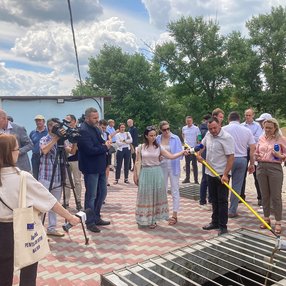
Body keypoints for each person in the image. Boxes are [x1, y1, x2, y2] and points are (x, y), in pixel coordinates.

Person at [0, 134, 80, 286]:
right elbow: (49, 201)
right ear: (10, 152)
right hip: (22, 228)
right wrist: (70, 217)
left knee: (3, 272)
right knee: (29, 266)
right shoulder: (23, 177)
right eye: (17, 149)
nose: (19, 152)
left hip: (1, 233)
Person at [134, 126, 187, 229]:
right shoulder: (140, 147)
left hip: (157, 172)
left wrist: (182, 152)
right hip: (145, 172)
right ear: (146, 136)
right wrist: (135, 175)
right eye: (151, 135)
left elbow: (171, 156)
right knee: (145, 195)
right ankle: (143, 218)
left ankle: (153, 219)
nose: (153, 137)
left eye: (154, 135)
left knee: (156, 196)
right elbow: (137, 161)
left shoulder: (159, 147)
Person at [198, 117, 235, 236]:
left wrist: (225, 174)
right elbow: (202, 145)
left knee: (222, 200)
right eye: (210, 128)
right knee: (213, 199)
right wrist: (198, 153)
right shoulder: (208, 135)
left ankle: (223, 226)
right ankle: (214, 222)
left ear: (220, 125)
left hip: (221, 174)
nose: (213, 130)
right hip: (210, 172)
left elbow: (231, 157)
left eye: (215, 128)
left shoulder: (227, 138)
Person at [77, 107, 112, 233]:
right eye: (94, 118)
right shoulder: (83, 130)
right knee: (91, 196)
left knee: (102, 193)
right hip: (91, 168)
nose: (97, 120)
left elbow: (100, 142)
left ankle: (97, 217)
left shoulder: (96, 129)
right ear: (87, 118)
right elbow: (90, 150)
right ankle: (89, 221)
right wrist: (105, 147)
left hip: (101, 166)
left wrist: (105, 144)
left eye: (97, 117)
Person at [38, 118, 69, 237]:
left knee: (54, 205)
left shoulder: (62, 141)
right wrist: (55, 139)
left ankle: (51, 228)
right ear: (49, 127)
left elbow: (71, 151)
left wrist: (75, 141)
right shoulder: (44, 139)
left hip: (58, 177)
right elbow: (44, 150)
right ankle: (39, 230)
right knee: (41, 205)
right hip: (45, 177)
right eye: (54, 126)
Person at [255, 118, 286, 235]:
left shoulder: (281, 139)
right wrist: (256, 156)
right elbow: (257, 151)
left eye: (270, 128)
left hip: (275, 168)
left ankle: (278, 221)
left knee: (276, 196)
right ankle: (266, 219)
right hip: (261, 167)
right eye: (265, 127)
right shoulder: (261, 138)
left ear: (275, 128)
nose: (267, 130)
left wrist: (280, 155)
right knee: (265, 195)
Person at [223, 111, 256, 218]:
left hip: (227, 160)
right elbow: (252, 149)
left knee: (224, 184)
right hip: (241, 159)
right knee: (237, 186)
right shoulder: (247, 130)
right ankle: (232, 210)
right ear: (239, 119)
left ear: (229, 119)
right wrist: (252, 163)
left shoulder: (223, 129)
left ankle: (222, 208)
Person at [156, 121, 183, 225]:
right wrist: (160, 156)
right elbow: (155, 152)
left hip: (174, 166)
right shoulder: (158, 139)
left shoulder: (175, 138)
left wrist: (170, 155)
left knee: (175, 190)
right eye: (164, 130)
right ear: (161, 130)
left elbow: (180, 155)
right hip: (162, 166)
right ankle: (163, 212)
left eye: (168, 129)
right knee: (162, 190)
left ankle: (175, 214)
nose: (167, 131)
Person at [240, 108, 263, 204]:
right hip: (244, 150)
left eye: (249, 115)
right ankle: (241, 196)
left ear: (253, 115)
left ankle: (260, 197)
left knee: (257, 175)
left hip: (254, 150)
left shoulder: (257, 126)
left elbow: (258, 138)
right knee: (241, 175)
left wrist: (247, 137)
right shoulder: (241, 126)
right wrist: (250, 137)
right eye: (246, 115)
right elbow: (241, 139)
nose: (247, 117)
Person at [64, 114, 83, 210]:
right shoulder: (65, 132)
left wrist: (74, 147)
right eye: (66, 121)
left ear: (74, 121)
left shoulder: (79, 132)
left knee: (77, 181)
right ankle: (66, 202)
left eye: (69, 121)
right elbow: (63, 145)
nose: (67, 123)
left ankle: (78, 201)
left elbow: (82, 145)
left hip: (76, 159)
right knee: (66, 181)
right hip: (66, 159)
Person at [181, 116, 201, 184]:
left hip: (193, 147)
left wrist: (199, 144)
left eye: (190, 121)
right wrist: (184, 142)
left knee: (194, 164)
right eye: (187, 121)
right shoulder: (184, 128)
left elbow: (199, 137)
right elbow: (183, 135)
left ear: (192, 121)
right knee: (187, 163)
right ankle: (187, 178)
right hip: (187, 148)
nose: (189, 122)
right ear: (186, 121)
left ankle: (196, 180)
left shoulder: (196, 128)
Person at [198, 114, 212, 209]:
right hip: (206, 155)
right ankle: (203, 200)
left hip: (207, 155)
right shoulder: (203, 130)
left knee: (208, 178)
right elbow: (200, 142)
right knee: (206, 178)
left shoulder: (200, 129)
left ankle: (209, 199)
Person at [29, 115, 48, 180]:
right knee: (35, 175)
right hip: (35, 156)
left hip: (45, 156)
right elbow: (30, 144)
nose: (38, 122)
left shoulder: (48, 132)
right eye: (36, 121)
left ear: (43, 121)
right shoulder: (32, 133)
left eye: (40, 120)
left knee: (45, 175)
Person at [98, 119, 112, 187]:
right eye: (102, 127)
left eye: (105, 128)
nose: (104, 129)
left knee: (107, 165)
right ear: (99, 125)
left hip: (107, 152)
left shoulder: (106, 133)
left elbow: (110, 140)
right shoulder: (97, 133)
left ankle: (106, 179)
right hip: (100, 152)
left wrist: (109, 142)